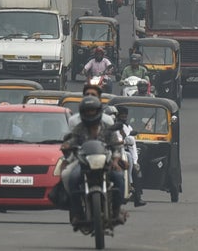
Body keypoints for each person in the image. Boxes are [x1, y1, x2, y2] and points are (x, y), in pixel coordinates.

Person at [61, 96, 127, 227]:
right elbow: (72, 141)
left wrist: (115, 160)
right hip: (84, 163)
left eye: (93, 110)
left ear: (98, 111)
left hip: (105, 163)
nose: (90, 113)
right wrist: (67, 146)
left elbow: (116, 146)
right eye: (87, 111)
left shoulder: (107, 128)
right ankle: (77, 213)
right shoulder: (79, 129)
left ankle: (117, 210)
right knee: (72, 178)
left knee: (119, 178)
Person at [116, 106, 145, 207]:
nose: (124, 117)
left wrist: (136, 161)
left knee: (136, 170)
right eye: (121, 115)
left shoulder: (128, 127)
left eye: (125, 116)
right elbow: (121, 140)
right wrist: (127, 138)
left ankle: (137, 197)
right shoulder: (114, 126)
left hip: (126, 152)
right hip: (116, 151)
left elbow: (133, 145)